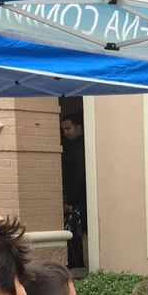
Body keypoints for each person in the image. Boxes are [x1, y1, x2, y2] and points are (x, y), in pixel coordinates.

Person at [60, 113, 87, 269]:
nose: (66, 132)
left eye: (68, 128)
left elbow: (80, 176)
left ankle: (79, 265)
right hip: (77, 199)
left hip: (80, 202)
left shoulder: (81, 148)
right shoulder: (71, 147)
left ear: (79, 127)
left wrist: (71, 201)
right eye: (64, 129)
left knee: (77, 235)